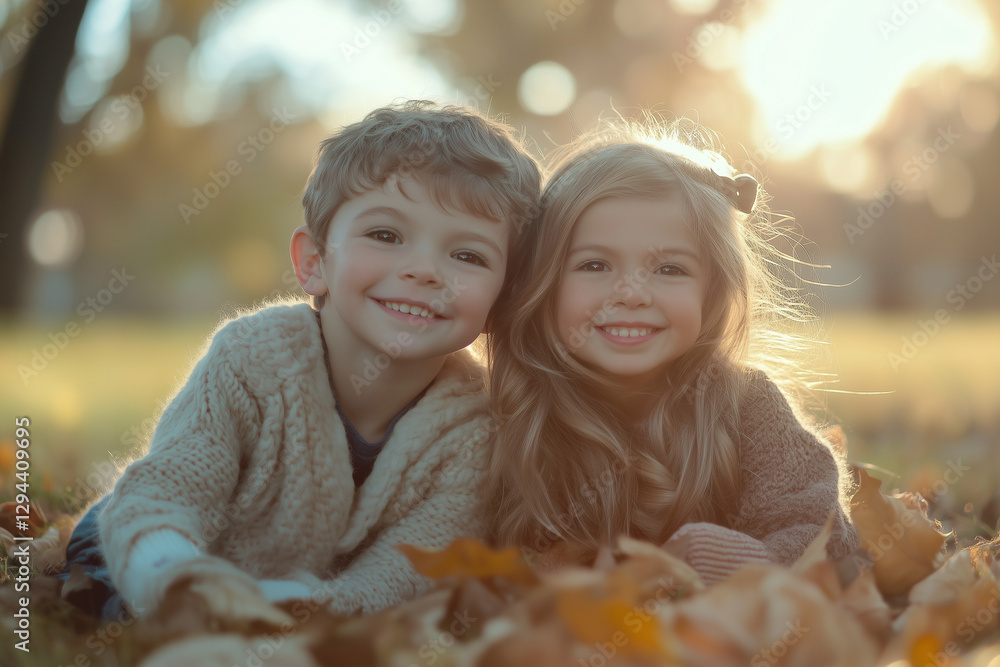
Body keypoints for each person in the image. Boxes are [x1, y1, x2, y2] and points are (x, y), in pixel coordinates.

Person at [58, 101, 541, 621]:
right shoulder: (252, 359)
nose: (424, 270)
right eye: (385, 235)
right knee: (123, 610)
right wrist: (175, 574)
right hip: (158, 545)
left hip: (313, 595)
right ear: (314, 262)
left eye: (468, 255)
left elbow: (414, 562)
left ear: (503, 300)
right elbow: (172, 488)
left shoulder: (474, 426)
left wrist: (314, 609)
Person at [483, 118, 860, 584]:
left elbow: (830, 540)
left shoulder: (747, 406)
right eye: (595, 264)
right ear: (542, 283)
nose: (631, 293)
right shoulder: (511, 410)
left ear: (713, 289)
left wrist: (745, 565)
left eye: (668, 269)